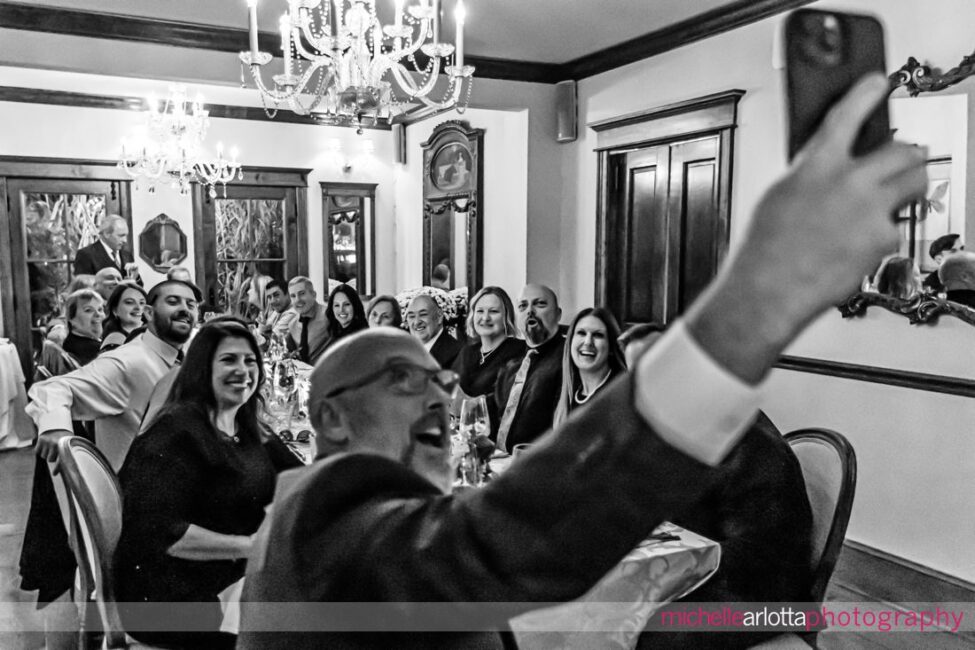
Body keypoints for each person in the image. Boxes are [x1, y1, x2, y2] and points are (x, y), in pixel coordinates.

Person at [237, 74, 928, 650]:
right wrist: (760, 296)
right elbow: (523, 538)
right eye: (402, 381)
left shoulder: (342, 511)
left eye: (435, 378)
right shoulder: (323, 513)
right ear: (325, 416)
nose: (436, 397)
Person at [115, 319, 299, 650]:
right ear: (201, 368)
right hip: (172, 598)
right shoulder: (176, 433)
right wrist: (251, 546)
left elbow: (300, 475)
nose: (243, 370)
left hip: (223, 575)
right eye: (228, 360)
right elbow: (163, 534)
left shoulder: (245, 425)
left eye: (250, 360)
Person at [26, 279, 201, 470]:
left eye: (190, 305)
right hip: (142, 488)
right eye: (173, 302)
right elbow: (54, 388)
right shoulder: (126, 362)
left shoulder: (178, 358)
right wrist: (56, 428)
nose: (184, 309)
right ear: (149, 313)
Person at [492, 284, 564, 452]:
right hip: (499, 463)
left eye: (539, 304)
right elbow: (494, 413)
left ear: (558, 314)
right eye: (523, 306)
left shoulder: (568, 360)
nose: (530, 311)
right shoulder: (511, 364)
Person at [450, 286, 525, 436]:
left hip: (498, 442)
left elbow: (508, 402)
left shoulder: (519, 351)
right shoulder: (467, 352)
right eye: (480, 311)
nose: (485, 318)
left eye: (493, 311)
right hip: (462, 439)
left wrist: (466, 404)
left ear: (507, 316)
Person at [552, 307, 626, 428]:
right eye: (581, 333)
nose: (588, 342)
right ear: (570, 341)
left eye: (598, 335)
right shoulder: (566, 394)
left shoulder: (620, 397)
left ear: (611, 347)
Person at [405, 293, 462, 368]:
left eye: (423, 314)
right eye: (411, 316)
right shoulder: (405, 352)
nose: (416, 322)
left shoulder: (458, 354)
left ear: (439, 317)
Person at [74, 215, 136, 279]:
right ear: (106, 234)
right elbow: (83, 285)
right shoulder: (86, 255)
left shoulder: (127, 256)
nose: (125, 240)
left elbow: (138, 287)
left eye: (126, 235)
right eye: (121, 236)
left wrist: (135, 277)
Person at [286, 276, 330, 365]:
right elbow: (288, 354)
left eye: (302, 293)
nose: (297, 300)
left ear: (314, 295)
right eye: (293, 296)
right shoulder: (292, 324)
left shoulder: (329, 316)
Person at [100, 282, 147, 352]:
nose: (138, 307)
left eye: (142, 303)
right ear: (115, 310)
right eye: (129, 302)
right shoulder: (115, 340)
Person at [325, 284, 368, 348]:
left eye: (346, 304)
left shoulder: (361, 337)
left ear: (355, 306)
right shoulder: (334, 333)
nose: (341, 310)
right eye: (337, 305)